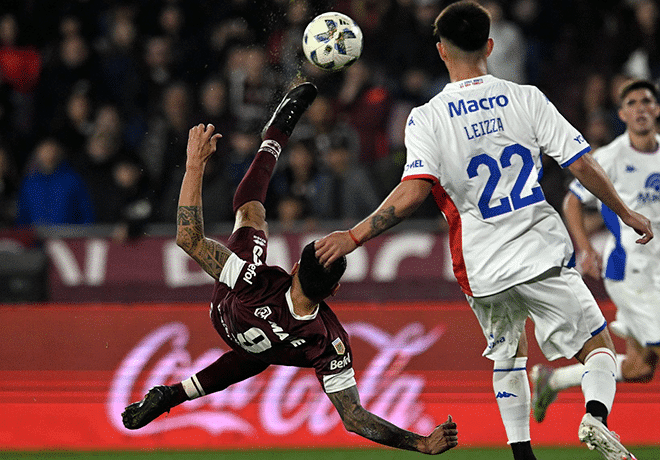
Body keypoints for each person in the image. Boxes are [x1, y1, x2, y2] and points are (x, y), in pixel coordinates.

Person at [315, 3, 653, 460]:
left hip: (481, 266)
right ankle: (595, 416)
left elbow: (414, 192)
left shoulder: (427, 117)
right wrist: (626, 212)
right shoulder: (526, 98)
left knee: (508, 356)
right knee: (599, 350)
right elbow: (581, 164)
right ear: (490, 46)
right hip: (538, 252)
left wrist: (353, 236)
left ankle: (522, 456)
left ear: (440, 51)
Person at [121, 83, 459, 455]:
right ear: (334, 292)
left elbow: (188, 238)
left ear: (294, 266)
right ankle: (173, 393)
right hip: (261, 342)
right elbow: (354, 417)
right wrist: (421, 442)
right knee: (262, 352)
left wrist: (194, 165)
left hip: (228, 309)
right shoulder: (329, 340)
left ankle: (275, 136)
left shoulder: (256, 277)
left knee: (251, 211)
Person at [532, 80, 660, 460]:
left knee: (639, 368)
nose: (639, 108)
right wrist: (585, 249)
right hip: (628, 274)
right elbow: (572, 201)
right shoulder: (612, 156)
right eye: (631, 102)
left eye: (646, 101)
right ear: (622, 114)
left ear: (656, 110)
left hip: (658, 274)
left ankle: (552, 379)